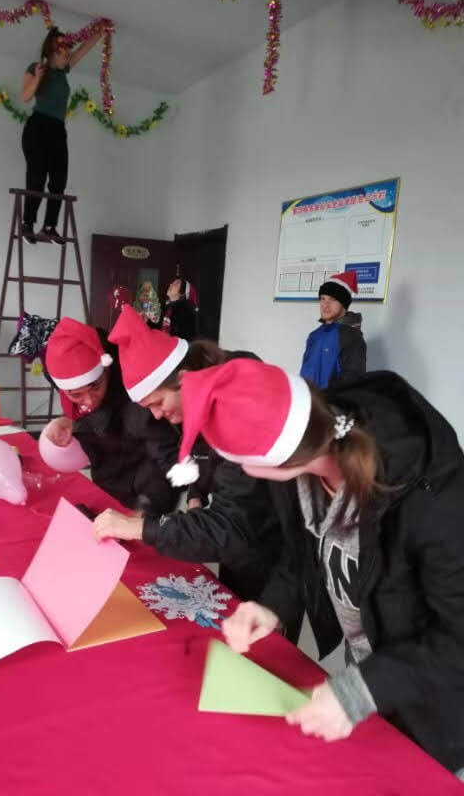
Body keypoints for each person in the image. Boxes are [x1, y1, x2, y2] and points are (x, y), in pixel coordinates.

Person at [167, 356, 464, 775]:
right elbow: (306, 552)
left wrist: (364, 689)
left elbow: (457, 642)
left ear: (266, 463)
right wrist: (273, 605)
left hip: (429, 703)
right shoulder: (309, 460)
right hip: (369, 667)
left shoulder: (435, 501)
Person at [93, 306, 291, 612]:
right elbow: (205, 453)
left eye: (158, 402)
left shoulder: (242, 408)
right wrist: (198, 492)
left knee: (260, 630)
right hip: (242, 535)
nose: (157, 415)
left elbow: (235, 526)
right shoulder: (203, 395)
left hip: (276, 548)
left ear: (185, 380)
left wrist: (141, 528)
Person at [42, 317, 181, 515]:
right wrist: (71, 421)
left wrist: (146, 511)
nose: (88, 401)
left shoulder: (136, 402)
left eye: (95, 386)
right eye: (75, 395)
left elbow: (163, 457)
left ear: (106, 369)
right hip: (111, 488)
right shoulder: (73, 395)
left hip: (150, 489)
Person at [20, 26, 102, 244]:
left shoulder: (64, 70)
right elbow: (25, 97)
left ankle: (49, 226)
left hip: (57, 128)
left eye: (67, 53)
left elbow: (83, 50)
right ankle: (28, 223)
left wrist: (100, 32)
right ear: (53, 53)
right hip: (38, 127)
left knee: (59, 178)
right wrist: (37, 78)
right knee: (37, 177)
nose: (67, 56)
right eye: (64, 53)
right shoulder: (36, 68)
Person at [300, 271, 366, 388]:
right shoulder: (314, 336)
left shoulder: (352, 338)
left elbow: (352, 384)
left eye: (332, 299)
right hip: (311, 403)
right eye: (322, 299)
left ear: (343, 303)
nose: (325, 305)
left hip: (331, 405)